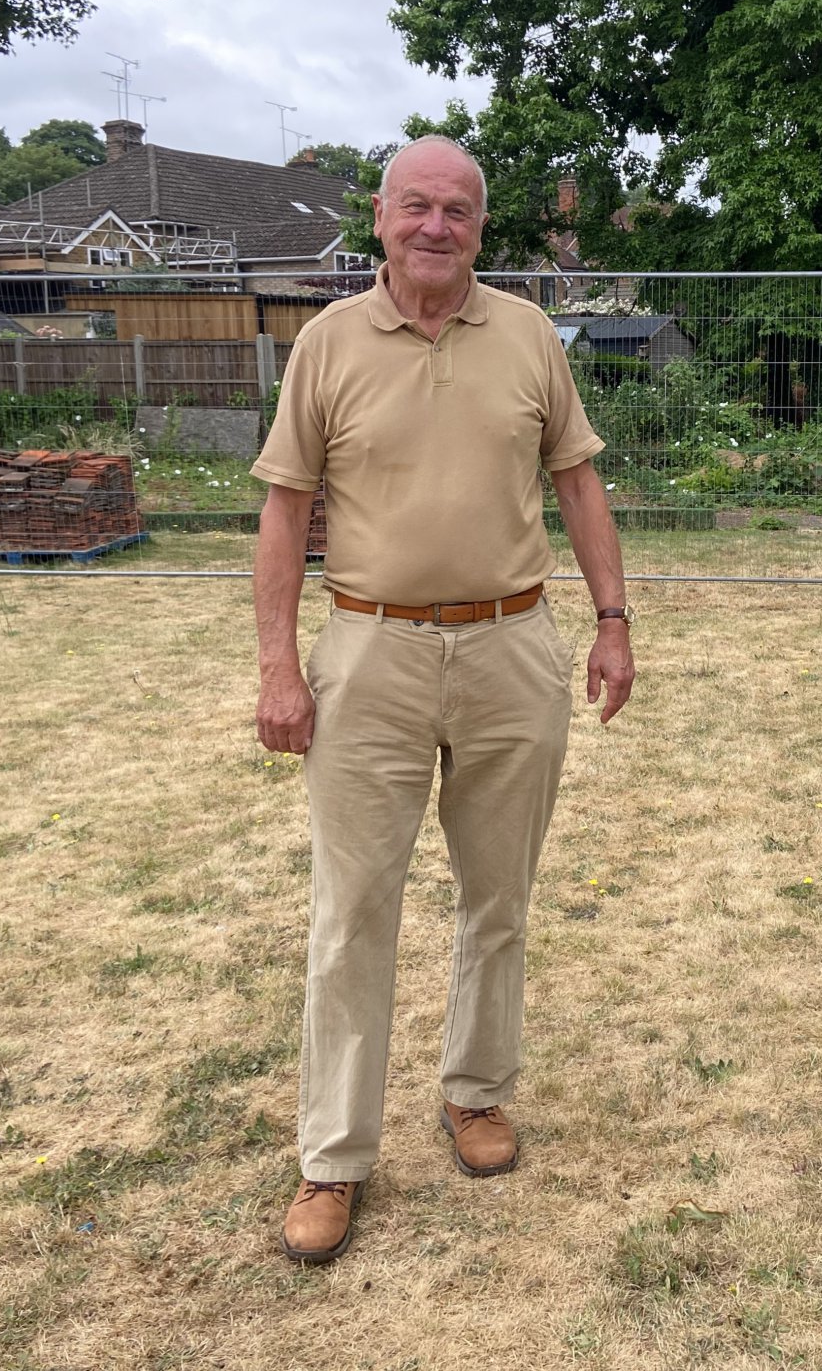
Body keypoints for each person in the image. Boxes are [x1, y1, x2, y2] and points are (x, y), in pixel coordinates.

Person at [251, 135, 635, 1264]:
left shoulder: (526, 335)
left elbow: (577, 480)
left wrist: (612, 621)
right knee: (352, 911)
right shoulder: (324, 345)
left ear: (479, 225)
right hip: (369, 654)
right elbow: (283, 512)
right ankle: (333, 1156)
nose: (435, 226)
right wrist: (280, 665)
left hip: (513, 646)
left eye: (456, 211)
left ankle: (473, 1090)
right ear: (378, 218)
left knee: (497, 897)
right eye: (414, 206)